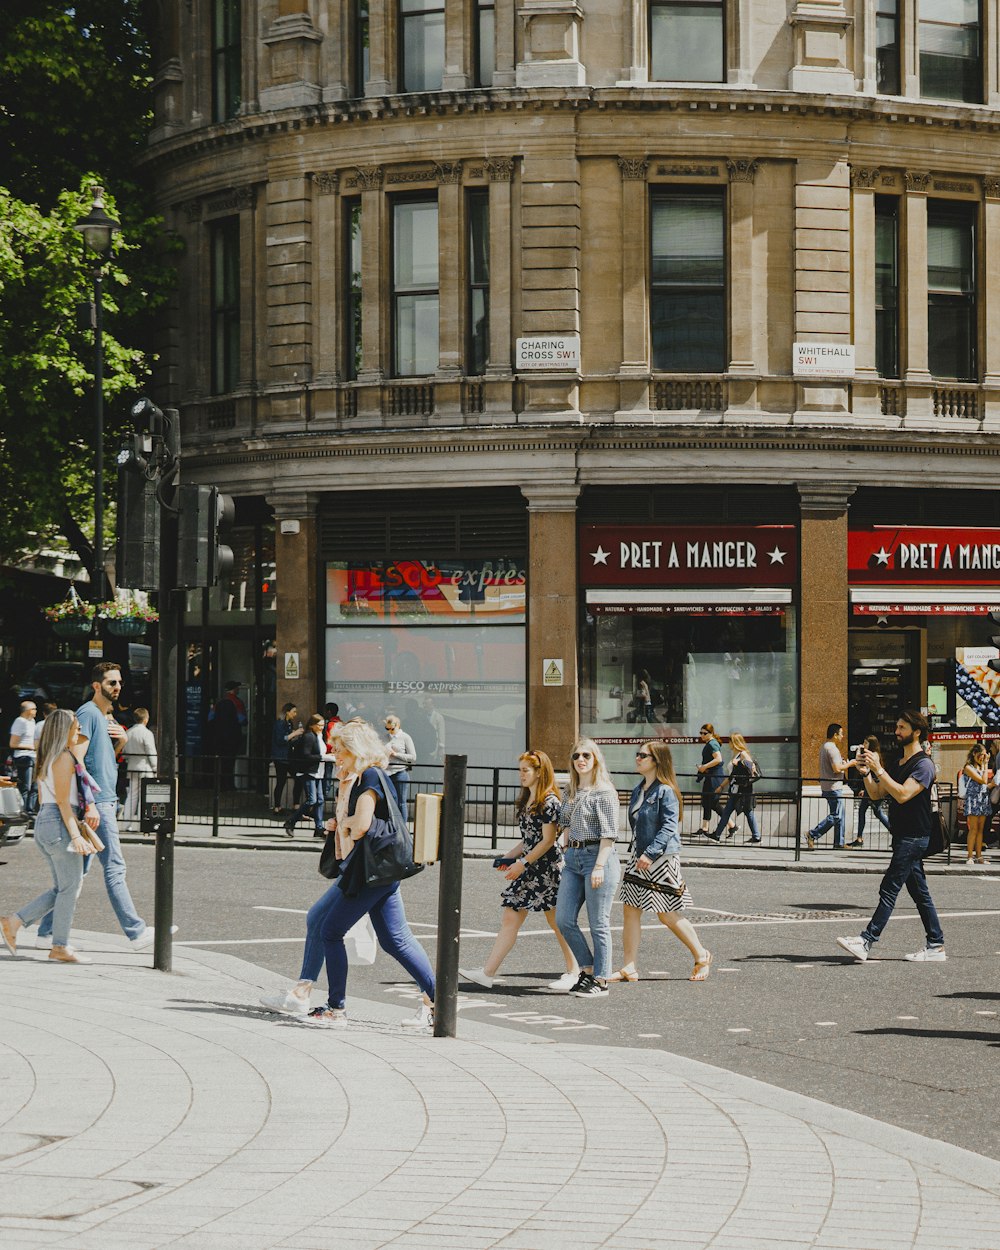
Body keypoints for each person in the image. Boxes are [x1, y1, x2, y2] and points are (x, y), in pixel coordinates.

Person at [259, 719, 435, 1028]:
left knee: (330, 930)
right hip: (378, 869)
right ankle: (438, 1000)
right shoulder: (369, 775)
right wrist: (339, 823)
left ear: (355, 749)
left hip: (368, 871)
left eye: (339, 749)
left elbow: (363, 824)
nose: (334, 754)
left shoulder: (369, 776)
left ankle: (335, 1009)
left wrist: (341, 824)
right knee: (395, 940)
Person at [34, 663, 161, 951]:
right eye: (110, 682)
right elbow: (76, 759)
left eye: (118, 683)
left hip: (103, 800)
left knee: (77, 875)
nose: (117, 687)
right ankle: (136, 932)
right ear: (96, 685)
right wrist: (89, 804)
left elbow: (98, 761)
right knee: (115, 867)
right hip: (99, 804)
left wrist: (122, 743)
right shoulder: (89, 713)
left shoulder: (102, 717)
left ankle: (44, 927)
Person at [459, 750, 579, 993]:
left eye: (526, 770)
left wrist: (521, 863)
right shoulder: (529, 800)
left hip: (547, 869)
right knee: (510, 917)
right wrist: (508, 857)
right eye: (520, 770)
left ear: (539, 772)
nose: (521, 775)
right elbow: (528, 840)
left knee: (558, 922)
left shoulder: (549, 801)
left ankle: (575, 971)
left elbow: (547, 841)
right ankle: (487, 973)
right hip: (530, 867)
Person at [837, 709, 946, 963]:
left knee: (889, 888)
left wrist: (879, 769)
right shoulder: (899, 763)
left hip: (914, 837)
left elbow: (903, 794)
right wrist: (866, 772)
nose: (896, 732)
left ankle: (866, 940)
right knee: (920, 893)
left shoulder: (924, 765)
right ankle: (936, 944)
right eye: (896, 727)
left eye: (902, 728)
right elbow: (877, 794)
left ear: (916, 732)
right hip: (902, 836)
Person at [1, 710, 99, 964]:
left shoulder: (47, 758)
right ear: (64, 730)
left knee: (61, 888)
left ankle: (14, 923)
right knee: (70, 888)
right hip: (59, 823)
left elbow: (46, 801)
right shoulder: (64, 758)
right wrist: (76, 835)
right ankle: (59, 946)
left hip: (47, 822)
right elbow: (63, 804)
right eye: (75, 729)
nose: (77, 734)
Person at [612, 739, 712, 983]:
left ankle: (701, 955)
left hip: (661, 858)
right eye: (638, 754)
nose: (638, 758)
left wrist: (651, 853)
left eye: (643, 755)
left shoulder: (665, 791)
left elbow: (670, 827)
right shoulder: (639, 789)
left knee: (667, 913)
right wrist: (640, 853)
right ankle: (629, 966)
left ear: (657, 761)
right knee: (630, 910)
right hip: (640, 854)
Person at [555, 738, 621, 998]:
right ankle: (588, 968)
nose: (581, 760)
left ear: (596, 760)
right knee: (564, 919)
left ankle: (601, 980)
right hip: (573, 859)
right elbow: (566, 824)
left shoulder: (604, 791)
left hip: (598, 856)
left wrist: (599, 866)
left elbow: (609, 834)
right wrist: (564, 849)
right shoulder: (570, 790)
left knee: (598, 923)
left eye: (586, 756)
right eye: (576, 756)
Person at [806, 723, 856, 850]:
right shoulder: (832, 748)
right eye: (841, 734)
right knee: (837, 815)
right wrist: (850, 764)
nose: (842, 736)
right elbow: (836, 768)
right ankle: (813, 834)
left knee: (840, 814)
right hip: (833, 786)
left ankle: (839, 842)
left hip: (828, 785)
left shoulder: (824, 746)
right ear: (835, 735)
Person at [710, 732, 761, 844]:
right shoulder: (737, 754)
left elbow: (751, 766)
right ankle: (717, 834)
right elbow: (731, 776)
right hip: (737, 790)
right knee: (732, 811)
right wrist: (721, 786)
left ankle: (717, 835)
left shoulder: (742, 754)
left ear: (734, 742)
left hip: (742, 790)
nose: (728, 744)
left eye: (730, 741)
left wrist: (739, 762)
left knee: (742, 811)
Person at [283, 714, 327, 838]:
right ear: (312, 725)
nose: (322, 728)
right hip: (308, 771)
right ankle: (291, 821)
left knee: (320, 800)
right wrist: (322, 757)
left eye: (323, 725)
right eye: (319, 725)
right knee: (312, 800)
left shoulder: (319, 736)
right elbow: (305, 754)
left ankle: (318, 828)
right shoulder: (309, 736)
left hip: (317, 771)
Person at [848, 735, 892, 848]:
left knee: (878, 812)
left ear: (871, 744)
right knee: (866, 811)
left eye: (866, 742)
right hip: (870, 787)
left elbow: (865, 769)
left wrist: (859, 751)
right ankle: (859, 838)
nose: (864, 744)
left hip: (875, 788)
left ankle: (895, 833)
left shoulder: (873, 755)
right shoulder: (872, 754)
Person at [122, 708, 158, 829]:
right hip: (145, 768)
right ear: (146, 719)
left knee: (132, 795)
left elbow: (125, 753)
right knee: (145, 797)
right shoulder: (147, 734)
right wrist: (155, 767)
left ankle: (127, 824)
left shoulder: (128, 733)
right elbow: (150, 752)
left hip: (132, 767)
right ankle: (143, 823)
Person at [696, 723, 733, 837]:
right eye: (700, 733)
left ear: (711, 733)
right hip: (711, 776)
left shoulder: (712, 744)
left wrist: (704, 766)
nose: (702, 735)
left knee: (712, 803)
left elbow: (718, 759)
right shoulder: (710, 743)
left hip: (714, 777)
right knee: (707, 801)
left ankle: (732, 825)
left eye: (704, 733)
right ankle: (705, 828)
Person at [212, 680, 246, 791]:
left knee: (221, 761)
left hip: (218, 737)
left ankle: (220, 785)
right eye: (237, 688)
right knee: (230, 761)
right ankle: (229, 785)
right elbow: (242, 720)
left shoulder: (219, 702)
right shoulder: (237, 702)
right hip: (233, 737)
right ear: (234, 689)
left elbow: (210, 717)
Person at [961, 743, 990, 865]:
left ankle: (979, 856)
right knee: (973, 829)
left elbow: (986, 782)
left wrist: (984, 765)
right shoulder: (968, 768)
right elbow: (983, 780)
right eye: (981, 755)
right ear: (974, 754)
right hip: (973, 800)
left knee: (980, 829)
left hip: (982, 799)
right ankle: (970, 856)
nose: (982, 758)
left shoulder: (981, 768)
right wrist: (985, 765)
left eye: (984, 755)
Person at [383, 713, 416, 824]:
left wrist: (395, 754)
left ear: (398, 725)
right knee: (390, 801)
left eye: (392, 729)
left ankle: (402, 827)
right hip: (387, 772)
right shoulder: (385, 737)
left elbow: (413, 757)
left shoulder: (405, 737)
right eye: (387, 729)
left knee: (401, 801)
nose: (389, 731)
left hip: (400, 771)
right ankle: (392, 825)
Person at [9, 699, 38, 817]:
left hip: (33, 756)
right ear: (28, 711)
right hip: (23, 756)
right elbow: (13, 743)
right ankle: (22, 810)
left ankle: (30, 809)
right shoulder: (19, 722)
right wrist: (31, 747)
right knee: (25, 786)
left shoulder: (32, 722)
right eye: (34, 709)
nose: (36, 711)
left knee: (35, 786)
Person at [270, 703, 301, 813]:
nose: (295, 714)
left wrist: (293, 735)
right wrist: (294, 734)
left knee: (297, 778)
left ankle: (295, 805)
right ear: (287, 712)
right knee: (281, 781)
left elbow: (287, 739)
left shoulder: (288, 723)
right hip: (281, 757)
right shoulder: (280, 723)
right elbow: (280, 740)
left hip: (288, 756)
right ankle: (277, 807)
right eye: (294, 712)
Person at [322, 703, 342, 801]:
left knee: (328, 777)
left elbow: (329, 741)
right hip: (339, 753)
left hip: (331, 754)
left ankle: (325, 795)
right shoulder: (341, 723)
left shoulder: (330, 724)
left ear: (329, 712)